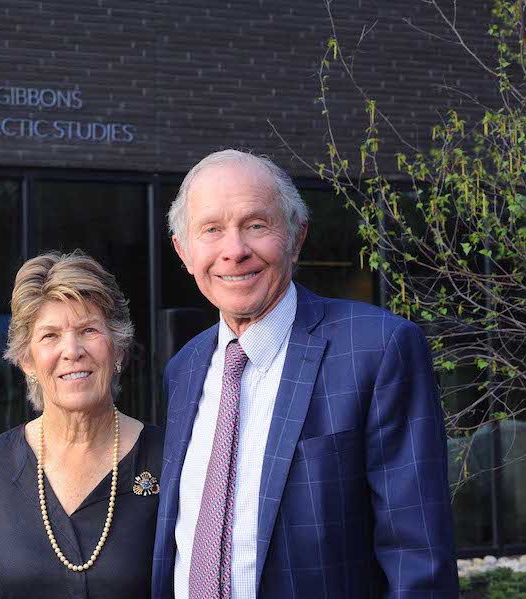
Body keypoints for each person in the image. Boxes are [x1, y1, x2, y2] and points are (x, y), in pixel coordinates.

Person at [151, 150, 458, 598]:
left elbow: (418, 557)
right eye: (211, 230)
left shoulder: (377, 348)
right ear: (184, 251)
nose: (234, 251)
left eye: (256, 225)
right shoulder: (183, 370)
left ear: (296, 237)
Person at [0, 250, 164, 599]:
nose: (72, 350)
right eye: (50, 335)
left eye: (88, 330)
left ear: (119, 350)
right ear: (27, 360)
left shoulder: (171, 458)